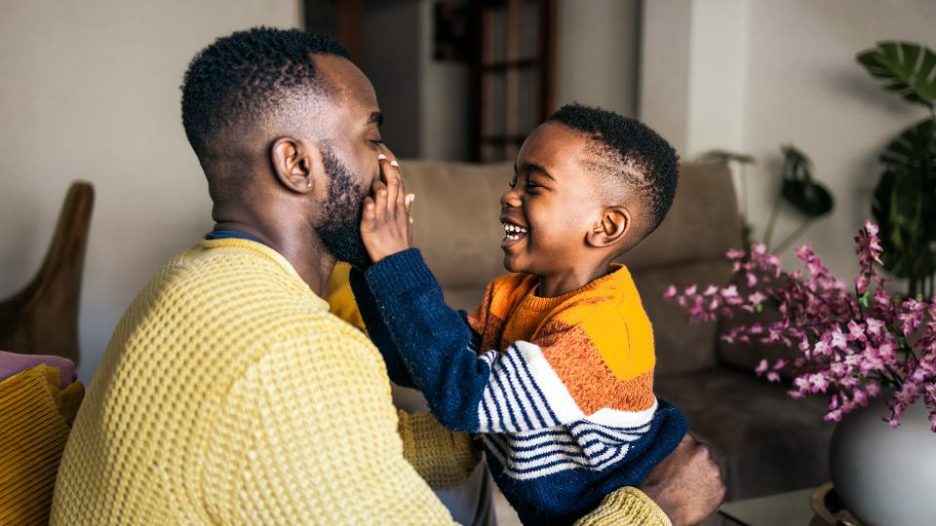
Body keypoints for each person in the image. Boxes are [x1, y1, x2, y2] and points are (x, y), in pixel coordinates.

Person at [50, 27, 724, 525]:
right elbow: (376, 389)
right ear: (298, 165)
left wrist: (481, 429)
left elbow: (354, 430)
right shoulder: (292, 353)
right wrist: (654, 512)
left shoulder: (186, 282)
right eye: (372, 136)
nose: (389, 159)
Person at [352, 104, 695, 525]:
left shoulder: (602, 333)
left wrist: (398, 262)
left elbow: (465, 397)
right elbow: (421, 364)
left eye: (534, 186)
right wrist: (371, 261)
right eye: (514, 179)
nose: (508, 194)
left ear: (605, 227)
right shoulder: (516, 294)